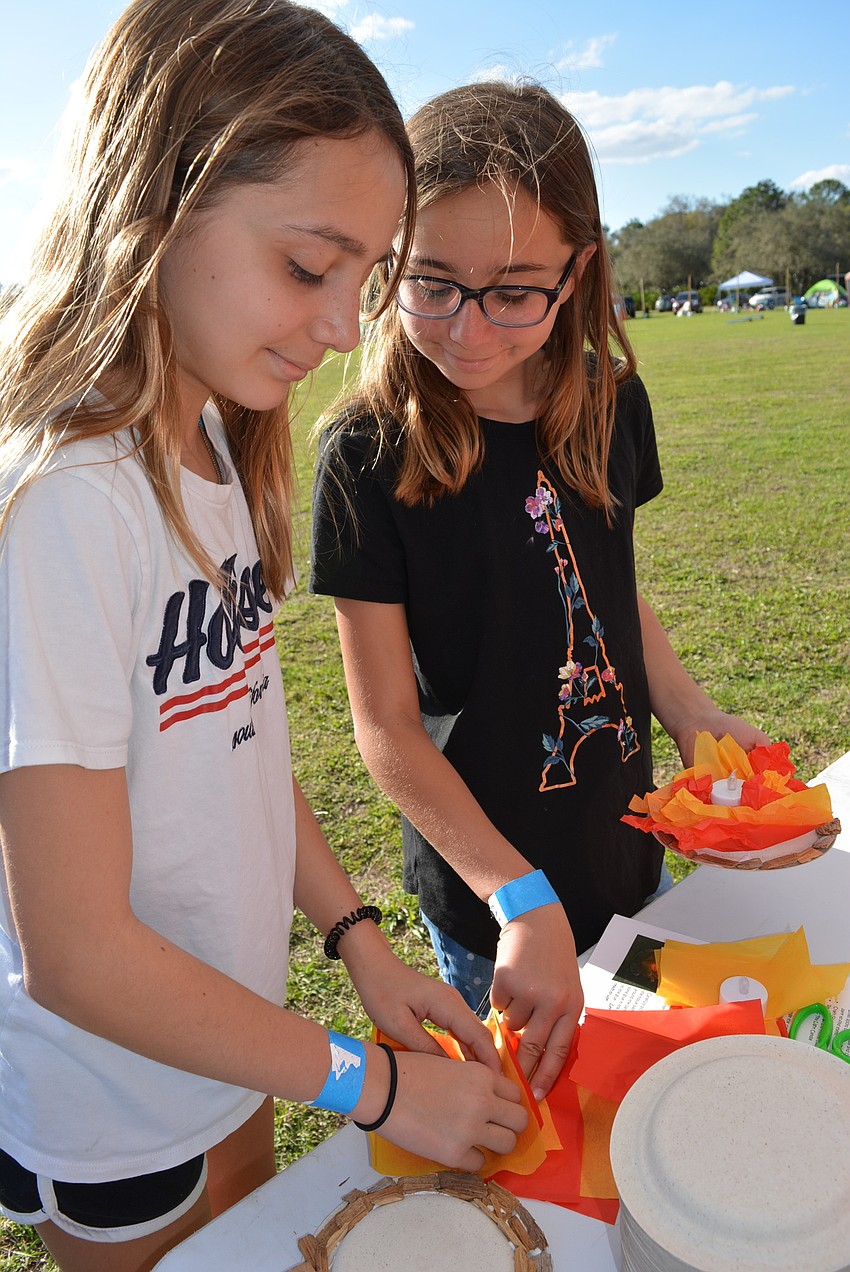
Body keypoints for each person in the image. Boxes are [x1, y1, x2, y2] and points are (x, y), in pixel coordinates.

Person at [0, 11, 528, 1270]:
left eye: (366, 275)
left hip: (232, 1043)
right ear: (155, 203)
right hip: (117, 1097)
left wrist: (354, 943)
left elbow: (233, 740)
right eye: (309, 266)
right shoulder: (69, 501)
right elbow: (75, 955)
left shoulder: (212, 443)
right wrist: (375, 1090)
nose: (348, 325)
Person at [310, 82, 770, 1102]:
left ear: (580, 273)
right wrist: (517, 897)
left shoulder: (611, 401)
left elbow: (609, 597)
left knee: (639, 1104)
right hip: (492, 905)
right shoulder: (364, 453)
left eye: (515, 290)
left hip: (627, 848)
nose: (468, 329)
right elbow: (385, 730)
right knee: (537, 1122)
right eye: (429, 281)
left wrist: (690, 711)